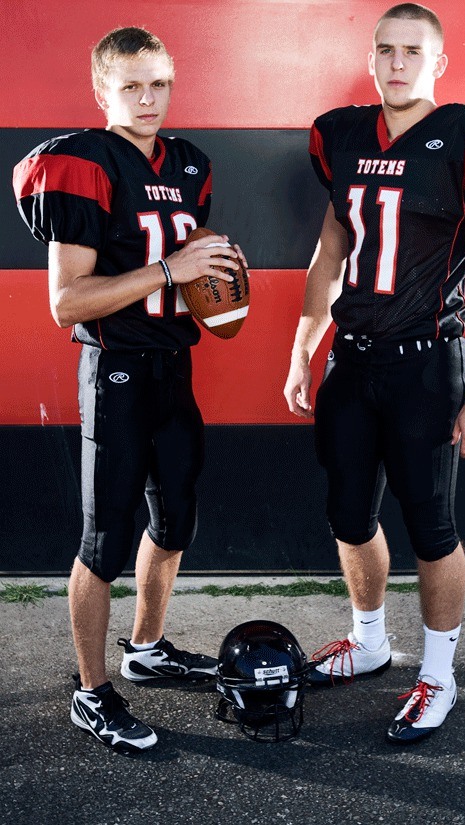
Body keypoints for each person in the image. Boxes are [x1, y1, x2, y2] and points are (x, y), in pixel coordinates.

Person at [284, 3, 465, 744]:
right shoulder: (341, 136)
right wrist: (304, 346)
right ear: (371, 58)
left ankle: (439, 673)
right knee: (348, 514)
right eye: (386, 50)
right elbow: (329, 256)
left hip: (427, 365)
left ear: (439, 62)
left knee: (432, 527)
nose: (397, 63)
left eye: (412, 51)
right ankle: (369, 641)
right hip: (352, 360)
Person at [13, 27, 247, 752]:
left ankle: (145, 648)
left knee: (175, 518)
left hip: (174, 367)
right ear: (101, 91)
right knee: (103, 539)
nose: (148, 99)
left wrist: (216, 283)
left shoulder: (189, 164)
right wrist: (172, 269)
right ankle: (91, 691)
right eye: (131, 86)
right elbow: (68, 303)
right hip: (115, 374)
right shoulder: (81, 162)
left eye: (159, 84)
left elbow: (195, 273)